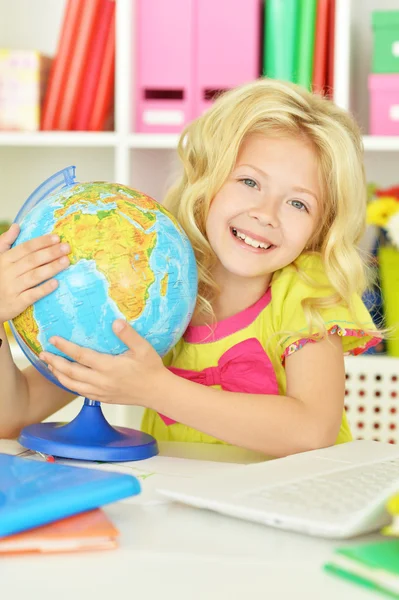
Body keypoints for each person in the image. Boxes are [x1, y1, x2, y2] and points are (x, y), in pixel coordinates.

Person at [0, 79, 382, 456]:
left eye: (298, 203)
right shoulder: (152, 282)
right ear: (207, 180)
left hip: (296, 507)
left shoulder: (309, 291)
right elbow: (13, 416)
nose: (265, 214)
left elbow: (312, 430)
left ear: (322, 225)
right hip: (183, 508)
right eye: (249, 181)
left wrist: (156, 389)